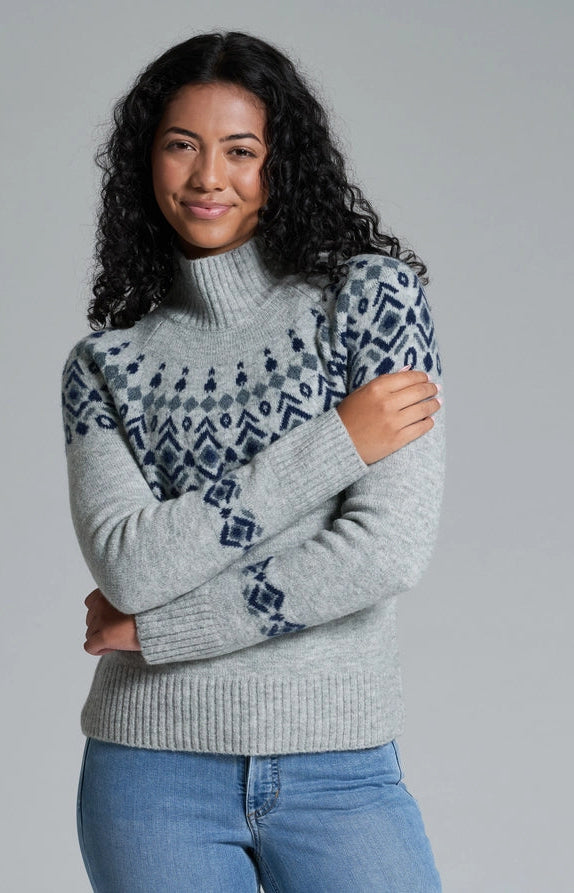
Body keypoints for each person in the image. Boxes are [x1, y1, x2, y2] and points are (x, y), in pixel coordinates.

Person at [61, 30, 445, 893]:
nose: (209, 177)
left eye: (241, 150)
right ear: (145, 161)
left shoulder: (372, 301)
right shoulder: (105, 367)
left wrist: (162, 630)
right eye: (181, 145)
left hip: (340, 764)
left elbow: (386, 550)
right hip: (148, 773)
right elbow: (130, 564)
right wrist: (338, 441)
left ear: (283, 162)